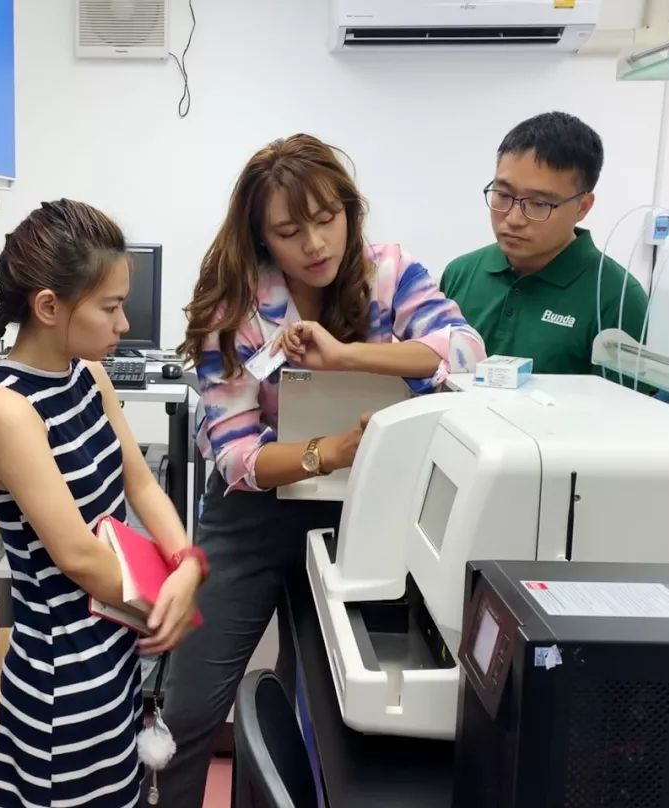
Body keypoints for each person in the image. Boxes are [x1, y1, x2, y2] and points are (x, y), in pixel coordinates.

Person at [150, 133, 486, 807]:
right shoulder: (235, 306)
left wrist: (346, 356)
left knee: (316, 707)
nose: (315, 244)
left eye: (328, 218)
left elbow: (463, 350)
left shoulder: (388, 271)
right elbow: (237, 456)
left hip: (362, 513)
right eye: (289, 231)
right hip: (254, 517)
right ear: (260, 237)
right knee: (189, 710)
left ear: (349, 211)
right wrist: (329, 451)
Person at [0, 199, 207, 808]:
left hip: (113, 646)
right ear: (49, 307)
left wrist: (187, 563)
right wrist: (168, 600)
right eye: (110, 306)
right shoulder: (6, 410)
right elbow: (76, 555)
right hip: (65, 673)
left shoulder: (88, 376)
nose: (123, 323)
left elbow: (142, 484)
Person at [440, 111, 649, 375]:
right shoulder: (460, 274)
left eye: (539, 204)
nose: (513, 219)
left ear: (583, 207)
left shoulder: (617, 298)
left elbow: (622, 400)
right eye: (503, 194)